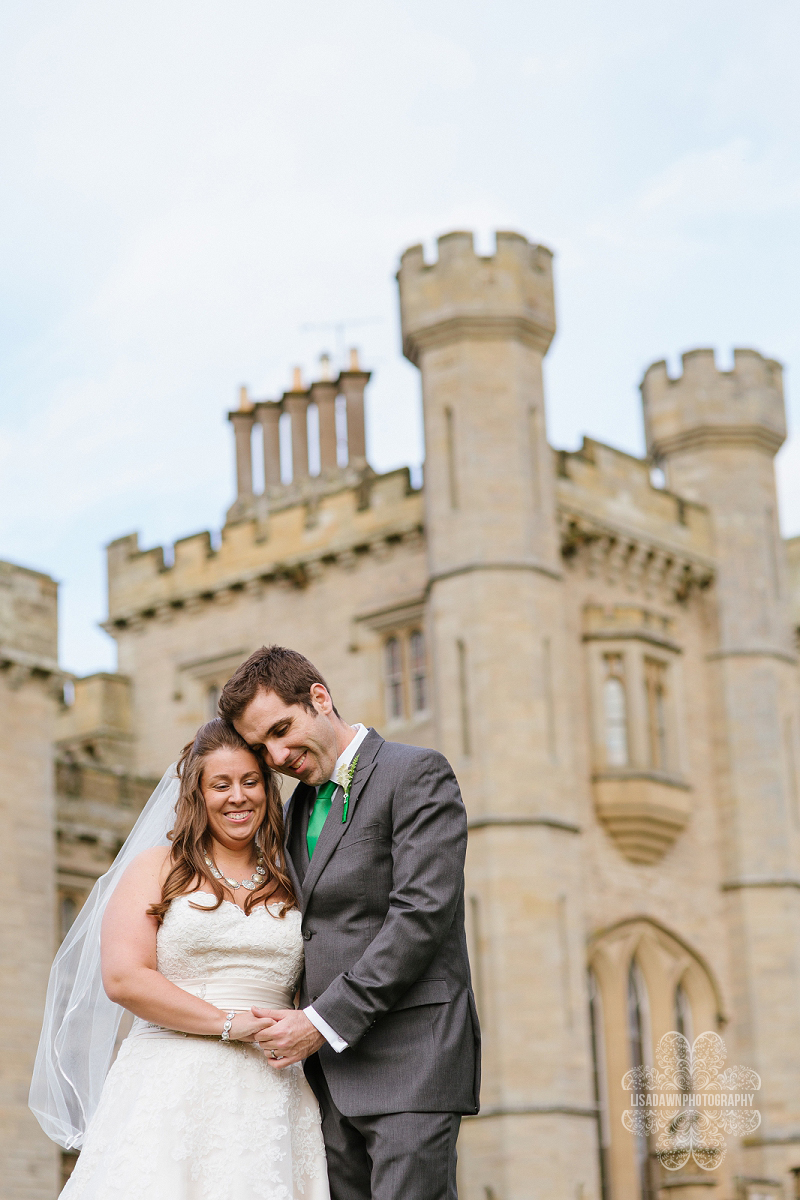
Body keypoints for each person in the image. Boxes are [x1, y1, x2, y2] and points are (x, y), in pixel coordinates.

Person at [218, 645, 480, 1200]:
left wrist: (322, 1021)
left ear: (320, 698)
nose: (279, 755)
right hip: (322, 1079)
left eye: (283, 730)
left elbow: (420, 916)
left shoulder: (416, 773)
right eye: (263, 747)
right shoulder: (291, 811)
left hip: (412, 1061)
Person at [33, 719, 329, 1200]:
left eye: (250, 781)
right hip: (171, 1081)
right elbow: (125, 978)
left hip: (273, 1087)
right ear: (197, 793)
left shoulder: (293, 874)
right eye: (221, 784)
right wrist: (232, 1023)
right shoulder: (156, 867)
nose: (238, 796)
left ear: (268, 789)